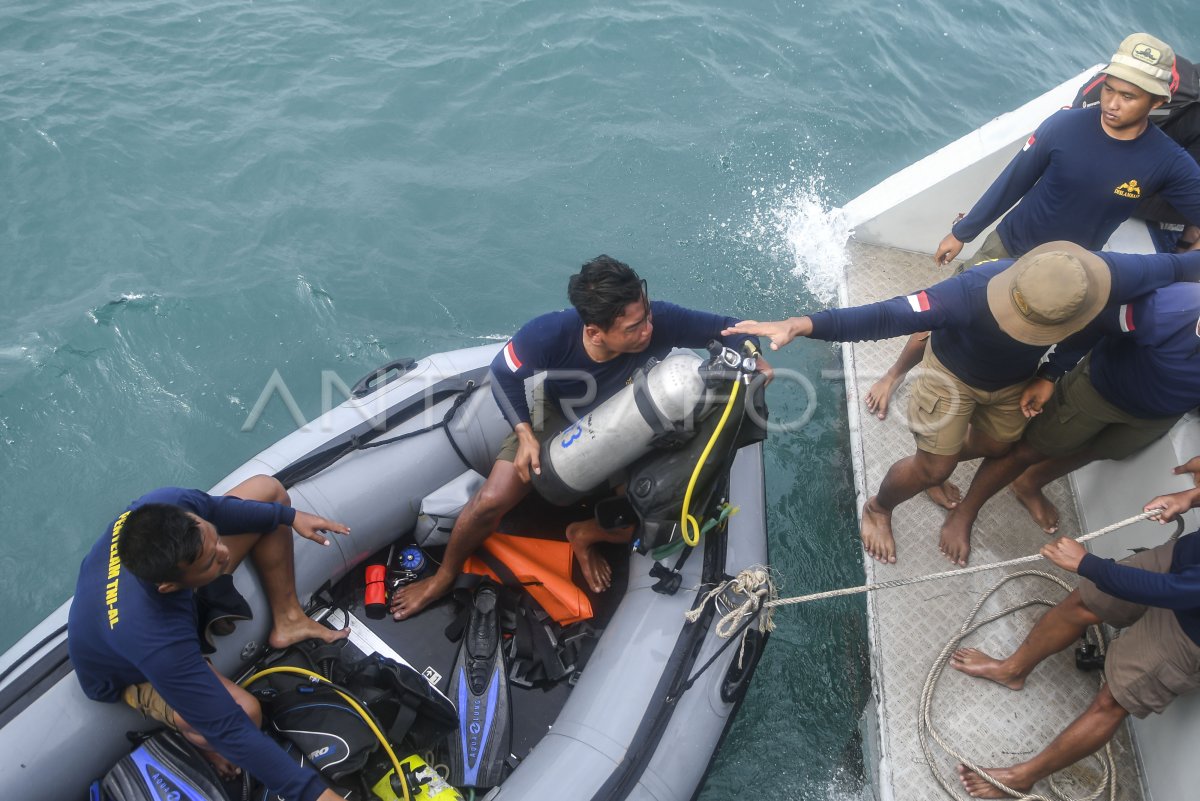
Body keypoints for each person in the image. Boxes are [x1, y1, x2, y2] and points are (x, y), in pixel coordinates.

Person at [724, 243, 1200, 565]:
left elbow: (1183, 266)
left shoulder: (1104, 274)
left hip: (1016, 382)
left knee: (999, 443)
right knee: (934, 468)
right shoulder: (965, 295)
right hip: (952, 377)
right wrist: (801, 323)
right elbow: (886, 314)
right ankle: (879, 505)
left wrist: (1051, 374)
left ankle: (942, 457)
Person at [389, 255, 766, 620]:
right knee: (490, 499)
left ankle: (583, 535)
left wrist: (752, 355)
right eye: (633, 328)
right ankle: (441, 578)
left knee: (645, 522)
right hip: (557, 412)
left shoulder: (661, 321)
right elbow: (504, 375)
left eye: (646, 316)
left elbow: (734, 329)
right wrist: (524, 433)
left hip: (631, 419)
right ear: (594, 332)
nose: (648, 330)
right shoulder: (550, 333)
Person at [864, 32, 1200, 439]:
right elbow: (1013, 182)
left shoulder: (1167, 161)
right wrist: (962, 232)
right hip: (1009, 245)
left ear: (1158, 103)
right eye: (1109, 89)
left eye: (1128, 96)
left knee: (1016, 346)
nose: (1112, 103)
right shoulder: (1064, 125)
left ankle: (955, 429)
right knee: (942, 314)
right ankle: (894, 373)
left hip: (1069, 274)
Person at [67, 476, 351, 801]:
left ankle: (288, 619)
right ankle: (202, 748)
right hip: (128, 671)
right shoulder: (158, 641)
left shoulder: (165, 503)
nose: (225, 552)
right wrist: (317, 795)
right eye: (212, 560)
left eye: (213, 538)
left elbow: (217, 510)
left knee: (268, 493)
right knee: (245, 712)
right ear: (170, 586)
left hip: (159, 605)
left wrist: (288, 517)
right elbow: (230, 728)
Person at [950, 472, 1200, 798]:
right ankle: (1012, 670)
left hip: (1190, 629)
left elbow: (1175, 592)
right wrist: (1192, 497)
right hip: (1184, 562)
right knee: (1083, 601)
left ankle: (1022, 776)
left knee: (1113, 700)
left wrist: (1088, 564)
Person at [937, 281, 1200, 550]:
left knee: (1097, 450)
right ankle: (964, 508)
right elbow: (1100, 323)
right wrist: (1050, 374)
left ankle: (1029, 482)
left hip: (1157, 416)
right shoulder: (1168, 308)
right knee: (1029, 449)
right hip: (1100, 388)